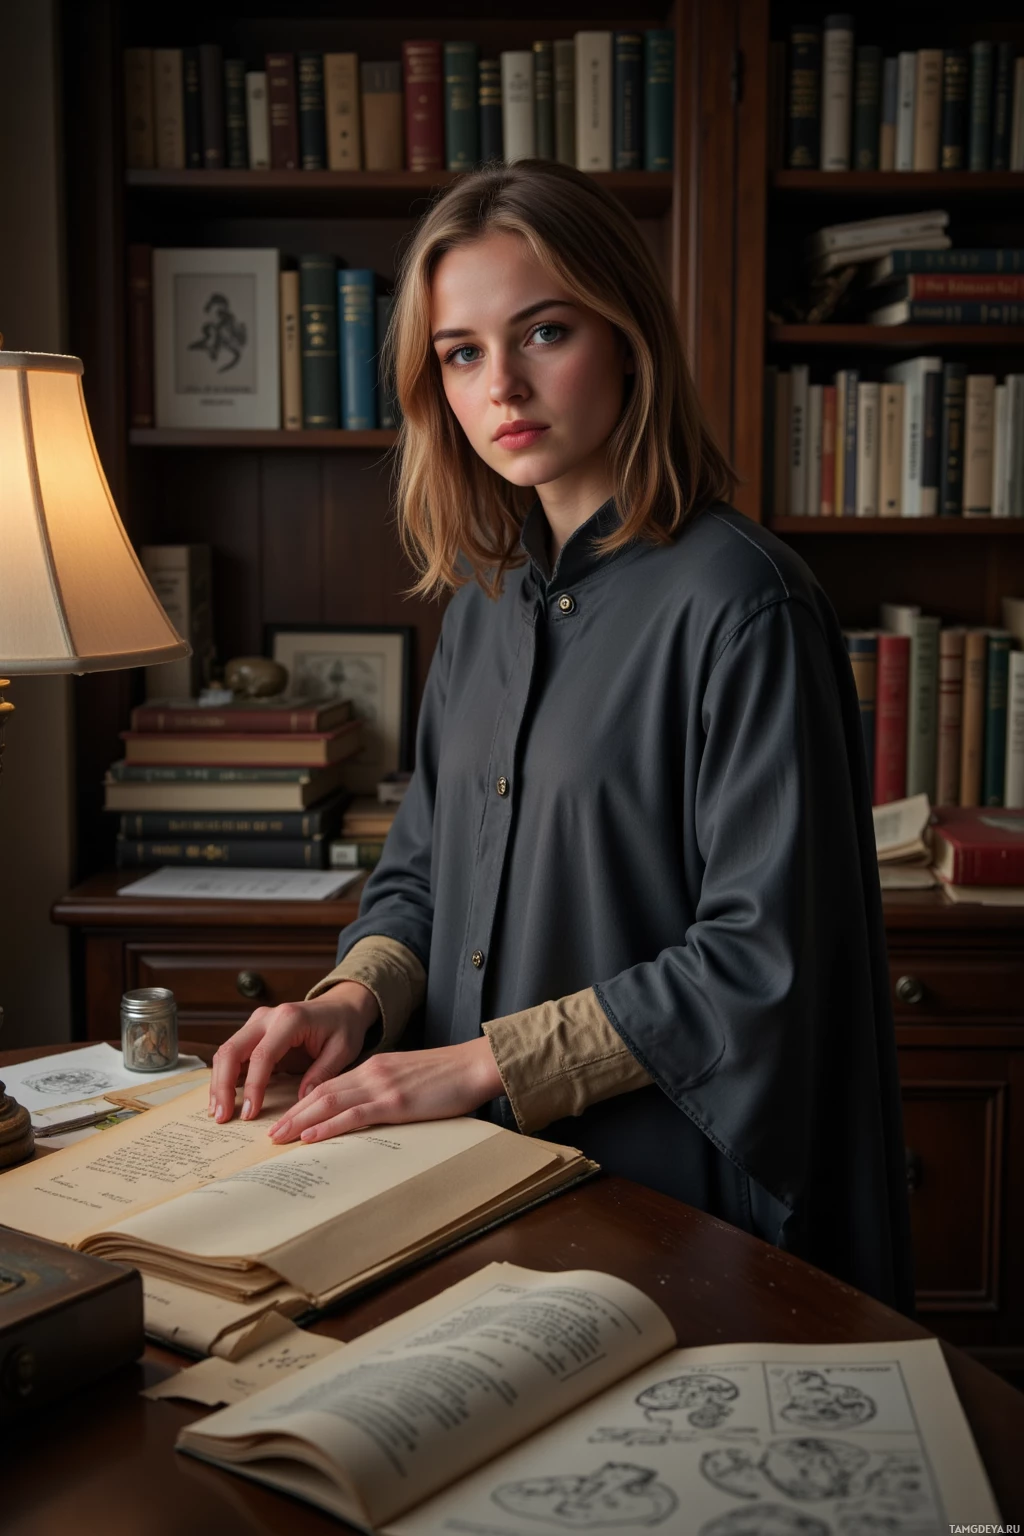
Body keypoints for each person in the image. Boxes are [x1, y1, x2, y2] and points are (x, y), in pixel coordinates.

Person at [208, 160, 914, 1312]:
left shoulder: (746, 605)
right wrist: (349, 1001)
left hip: (668, 1193)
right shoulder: (484, 603)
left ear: (627, 338)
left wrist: (481, 1063)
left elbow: (757, 960)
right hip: (469, 1177)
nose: (504, 387)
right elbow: (421, 878)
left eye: (544, 332)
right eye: (463, 352)